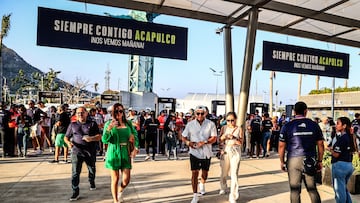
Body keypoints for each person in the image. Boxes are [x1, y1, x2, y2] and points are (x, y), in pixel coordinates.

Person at [278, 101, 324, 203]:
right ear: (305, 111)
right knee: (312, 189)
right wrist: (320, 161)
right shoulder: (314, 125)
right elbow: (320, 144)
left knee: (295, 191)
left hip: (293, 160)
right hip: (309, 159)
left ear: (294, 111)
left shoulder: (287, 126)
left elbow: (281, 145)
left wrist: (282, 161)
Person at [102, 103, 139, 203]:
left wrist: (135, 147)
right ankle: (115, 200)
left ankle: (120, 190)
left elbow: (135, 135)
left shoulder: (128, 124)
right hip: (113, 152)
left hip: (125, 151)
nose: (118, 113)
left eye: (120, 111)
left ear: (123, 112)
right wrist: (109, 129)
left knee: (126, 180)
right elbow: (104, 140)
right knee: (115, 179)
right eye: (116, 111)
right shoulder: (108, 124)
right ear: (112, 113)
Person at [64, 106, 101, 201]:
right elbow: (66, 137)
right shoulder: (72, 125)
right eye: (78, 113)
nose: (80, 114)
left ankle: (91, 181)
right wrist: (69, 143)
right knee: (75, 172)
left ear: (86, 113)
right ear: (76, 115)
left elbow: (99, 136)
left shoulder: (92, 124)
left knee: (92, 169)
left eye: (82, 112)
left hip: (90, 152)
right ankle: (75, 191)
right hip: (77, 152)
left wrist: (91, 139)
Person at [182, 105, 217, 203]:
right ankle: (195, 195)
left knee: (205, 172)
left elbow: (214, 138)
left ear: (205, 113)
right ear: (195, 114)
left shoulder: (211, 124)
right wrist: (188, 143)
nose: (200, 115)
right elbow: (183, 136)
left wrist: (204, 142)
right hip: (194, 152)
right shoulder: (190, 124)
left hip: (206, 151)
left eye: (202, 113)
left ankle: (202, 183)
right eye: (198, 113)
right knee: (194, 172)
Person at [329, 117, 356, 203]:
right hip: (348, 165)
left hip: (340, 166)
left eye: (338, 123)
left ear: (344, 126)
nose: (336, 125)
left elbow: (336, 154)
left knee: (339, 192)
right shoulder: (349, 137)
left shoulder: (342, 138)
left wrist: (329, 149)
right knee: (343, 189)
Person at [218, 112, 242, 203]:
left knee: (234, 173)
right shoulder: (223, 128)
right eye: (228, 120)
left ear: (235, 120)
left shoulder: (239, 129)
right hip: (225, 150)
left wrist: (234, 138)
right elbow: (219, 140)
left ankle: (233, 194)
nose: (230, 122)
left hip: (235, 150)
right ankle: (223, 186)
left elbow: (240, 142)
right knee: (224, 172)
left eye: (232, 120)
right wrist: (224, 137)